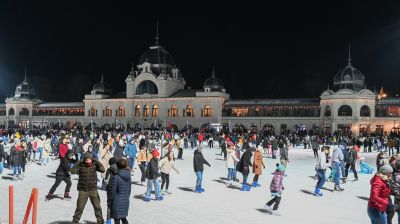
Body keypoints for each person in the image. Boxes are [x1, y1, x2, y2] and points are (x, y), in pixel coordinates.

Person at [71, 152, 105, 224]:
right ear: (84, 160)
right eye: (86, 160)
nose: (88, 161)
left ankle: (100, 221)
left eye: (89, 160)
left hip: (93, 190)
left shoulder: (94, 165)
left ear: (92, 159)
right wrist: (78, 162)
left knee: (97, 206)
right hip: (83, 190)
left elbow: (103, 170)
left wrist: (97, 161)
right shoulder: (81, 166)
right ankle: (75, 220)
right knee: (79, 207)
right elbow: (73, 171)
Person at [108, 158, 131, 224]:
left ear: (117, 166)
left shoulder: (116, 177)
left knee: (117, 219)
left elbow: (112, 192)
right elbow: (129, 190)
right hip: (125, 200)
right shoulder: (128, 176)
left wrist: (110, 201)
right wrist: (126, 197)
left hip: (117, 201)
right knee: (123, 218)